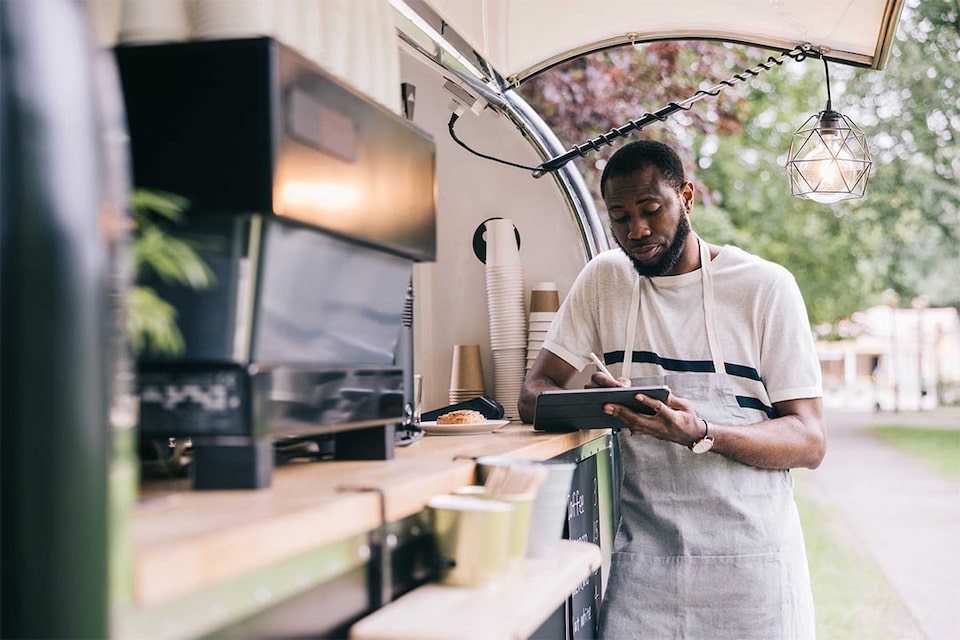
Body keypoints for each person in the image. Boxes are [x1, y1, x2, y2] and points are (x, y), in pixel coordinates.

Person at [518, 139, 825, 639]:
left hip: (752, 568)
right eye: (620, 217)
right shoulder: (604, 281)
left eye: (651, 209)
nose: (636, 230)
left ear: (686, 196)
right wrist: (600, 406)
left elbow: (810, 440)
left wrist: (702, 432)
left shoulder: (765, 287)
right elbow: (533, 392)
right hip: (645, 569)